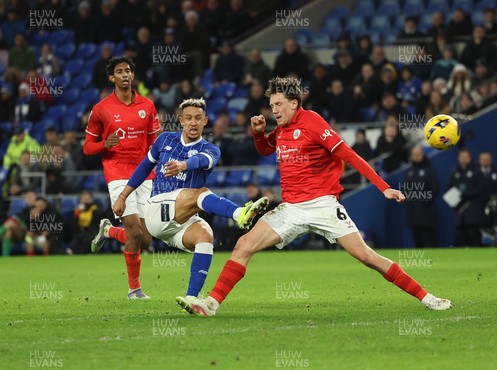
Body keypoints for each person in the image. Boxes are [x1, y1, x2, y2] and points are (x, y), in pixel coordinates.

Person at [178, 77, 452, 316]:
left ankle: (427, 298)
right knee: (243, 245)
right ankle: (211, 303)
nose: (274, 110)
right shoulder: (282, 130)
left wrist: (383, 187)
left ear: (294, 103)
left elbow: (349, 155)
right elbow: (264, 150)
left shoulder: (313, 122)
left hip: (323, 205)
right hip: (291, 208)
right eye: (272, 105)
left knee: (366, 256)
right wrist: (259, 134)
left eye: (279, 105)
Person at [111, 98, 268, 309]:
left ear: (205, 121)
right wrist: (123, 196)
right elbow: (143, 168)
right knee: (200, 193)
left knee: (205, 235)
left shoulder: (212, 149)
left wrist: (183, 165)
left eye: (198, 118)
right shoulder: (165, 140)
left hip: (181, 219)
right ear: (181, 121)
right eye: (188, 118)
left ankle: (192, 298)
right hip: (158, 208)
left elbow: (202, 160)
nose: (193, 123)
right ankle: (239, 214)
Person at [83, 56, 160, 299]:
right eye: (120, 71)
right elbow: (87, 148)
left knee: (146, 239)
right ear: (111, 78)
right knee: (135, 234)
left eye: (128, 70)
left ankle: (108, 231)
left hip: (145, 174)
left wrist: (158, 171)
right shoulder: (101, 109)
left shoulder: (147, 105)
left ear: (133, 75)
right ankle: (134, 289)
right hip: (117, 173)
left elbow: (153, 144)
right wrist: (104, 144)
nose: (125, 75)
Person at [446, 149, 486, 247]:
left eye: (465, 158)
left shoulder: (477, 170)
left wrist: (467, 194)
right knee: (462, 235)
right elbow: (448, 187)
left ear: (470, 158)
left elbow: (481, 188)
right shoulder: (455, 171)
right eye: (461, 158)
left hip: (473, 209)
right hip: (460, 210)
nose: (463, 160)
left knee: (474, 234)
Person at [404, 146, 439, 248]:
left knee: (430, 237)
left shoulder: (430, 171)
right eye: (414, 155)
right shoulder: (409, 171)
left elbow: (435, 189)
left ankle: (434, 259)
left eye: (418, 154)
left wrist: (423, 201)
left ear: (423, 155)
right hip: (413, 211)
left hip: (427, 210)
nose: (416, 157)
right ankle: (421, 260)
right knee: (417, 238)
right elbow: (406, 189)